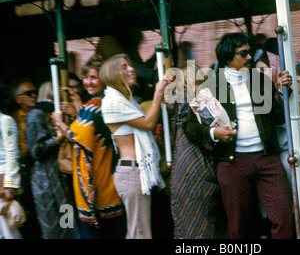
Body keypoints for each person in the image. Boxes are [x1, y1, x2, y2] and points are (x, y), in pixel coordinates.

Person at [183, 32, 295, 239]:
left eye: (250, 52)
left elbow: (279, 117)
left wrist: (281, 91)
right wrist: (213, 133)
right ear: (227, 57)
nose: (250, 57)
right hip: (232, 163)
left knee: (283, 217)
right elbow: (190, 125)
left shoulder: (260, 81)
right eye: (243, 53)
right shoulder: (212, 87)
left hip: (267, 158)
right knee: (238, 226)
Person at [53, 55, 126, 239]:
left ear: (104, 78)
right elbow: (93, 131)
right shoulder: (110, 102)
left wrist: (59, 122)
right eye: (86, 77)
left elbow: (76, 136)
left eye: (94, 77)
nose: (88, 82)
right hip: (111, 185)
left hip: (95, 187)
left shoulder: (92, 107)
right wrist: (79, 107)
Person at [99, 53, 171, 239]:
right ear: (113, 74)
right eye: (124, 67)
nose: (131, 69)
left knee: (137, 232)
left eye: (129, 65)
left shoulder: (124, 100)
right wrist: (157, 94)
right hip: (132, 173)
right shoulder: (113, 102)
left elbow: (140, 130)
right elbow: (147, 123)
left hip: (135, 171)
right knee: (140, 234)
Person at [167, 63, 228, 239]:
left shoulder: (182, 103)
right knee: (210, 225)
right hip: (204, 168)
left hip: (185, 170)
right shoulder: (204, 102)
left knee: (189, 225)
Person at [25, 81, 80, 239]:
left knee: (67, 222)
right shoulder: (35, 115)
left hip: (58, 174)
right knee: (53, 226)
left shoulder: (54, 114)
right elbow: (35, 150)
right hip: (45, 179)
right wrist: (58, 139)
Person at [12, 78, 41, 239]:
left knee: (64, 208)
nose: (34, 96)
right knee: (28, 208)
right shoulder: (13, 119)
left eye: (35, 92)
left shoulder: (42, 115)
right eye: (29, 93)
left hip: (42, 169)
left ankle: (67, 230)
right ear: (18, 99)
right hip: (24, 169)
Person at [0, 88, 22, 239]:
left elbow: (11, 152)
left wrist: (10, 185)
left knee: (6, 227)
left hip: (2, 176)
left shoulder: (5, 120)